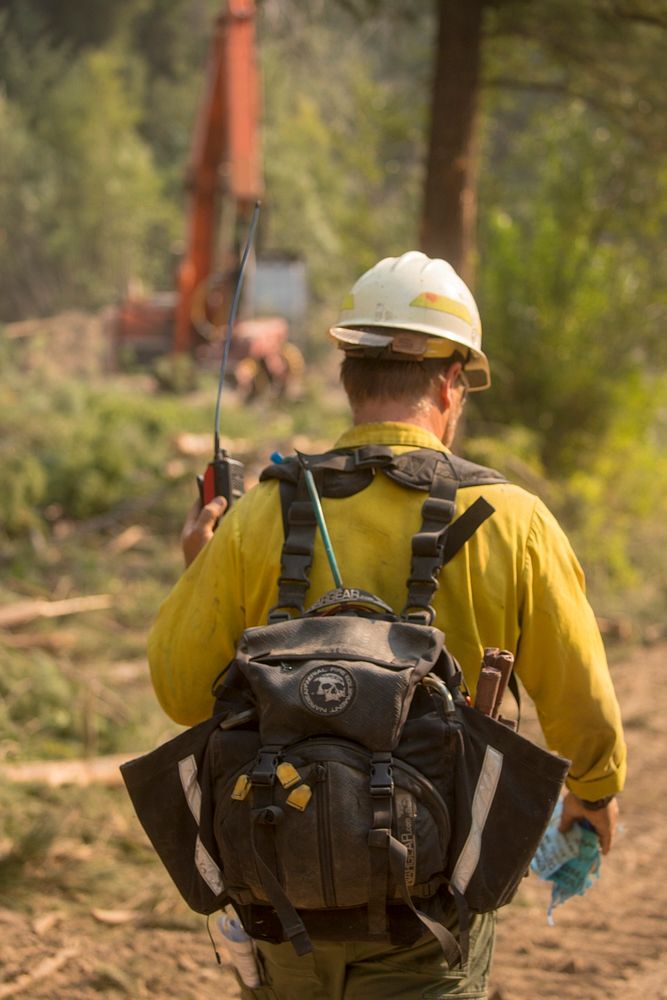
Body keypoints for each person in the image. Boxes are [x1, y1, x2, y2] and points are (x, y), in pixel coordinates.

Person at [148, 251, 627, 999]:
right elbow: (583, 711)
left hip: (280, 892)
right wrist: (593, 796)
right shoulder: (514, 521)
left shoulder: (260, 515)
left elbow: (182, 692)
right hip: (431, 904)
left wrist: (196, 569)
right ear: (449, 382)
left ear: (346, 376)